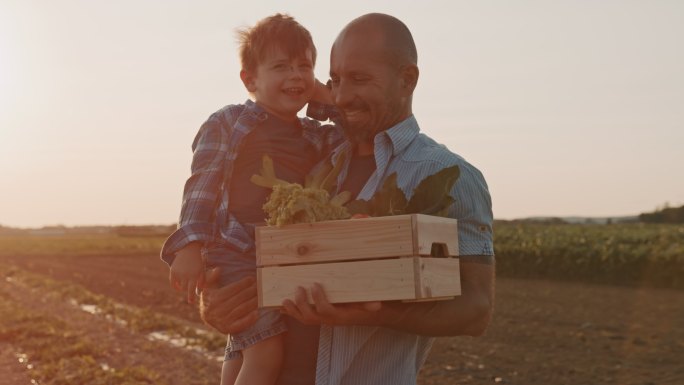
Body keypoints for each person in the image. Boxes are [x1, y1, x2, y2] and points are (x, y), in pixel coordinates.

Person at [200, 13, 495, 385]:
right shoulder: (312, 160)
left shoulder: (445, 175)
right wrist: (216, 304)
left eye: (359, 79)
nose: (341, 95)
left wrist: (366, 314)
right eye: (335, 80)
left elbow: (475, 310)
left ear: (407, 79)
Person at [161, 14, 342, 385]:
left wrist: (325, 97)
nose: (295, 76)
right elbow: (202, 183)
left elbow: (357, 129)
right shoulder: (228, 122)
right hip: (236, 250)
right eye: (281, 67)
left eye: (304, 66)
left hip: (283, 255)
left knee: (244, 346)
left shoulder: (315, 136)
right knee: (266, 349)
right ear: (249, 79)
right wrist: (190, 245)